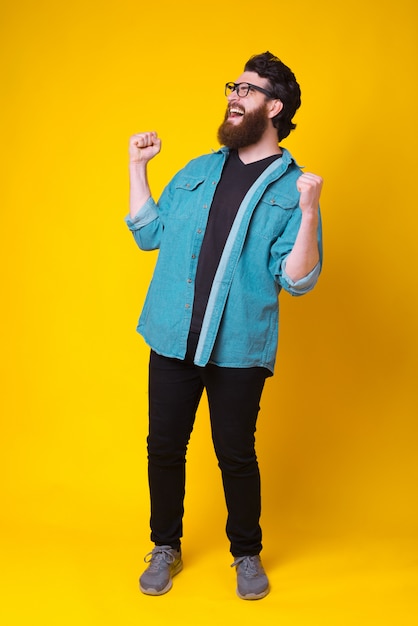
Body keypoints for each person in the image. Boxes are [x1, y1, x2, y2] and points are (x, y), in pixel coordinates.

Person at [125, 51, 323, 600]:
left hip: (239, 344)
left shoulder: (293, 187)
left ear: (274, 106)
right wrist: (138, 168)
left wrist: (308, 213)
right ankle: (165, 544)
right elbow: (148, 232)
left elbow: (298, 278)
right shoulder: (198, 168)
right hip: (171, 336)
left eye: (247, 89)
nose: (233, 95)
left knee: (234, 452)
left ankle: (246, 553)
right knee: (163, 446)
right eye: (232, 86)